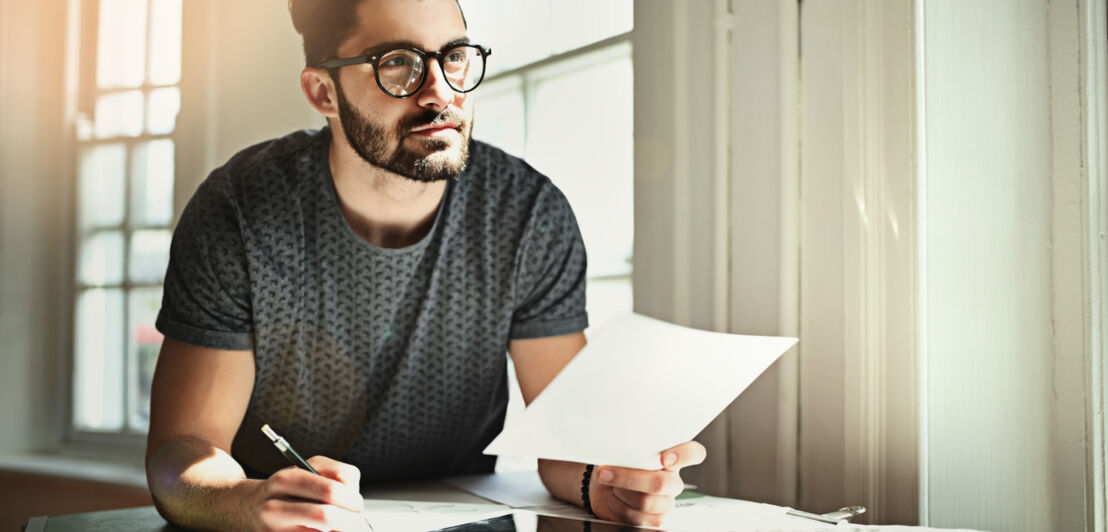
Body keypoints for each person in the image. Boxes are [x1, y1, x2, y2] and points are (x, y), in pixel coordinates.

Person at [144, 0, 706, 530]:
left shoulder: (527, 212)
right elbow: (181, 455)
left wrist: (603, 483)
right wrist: (247, 501)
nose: (440, 92)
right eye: (398, 63)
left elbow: (564, 443)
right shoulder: (240, 211)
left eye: (456, 56)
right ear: (323, 92)